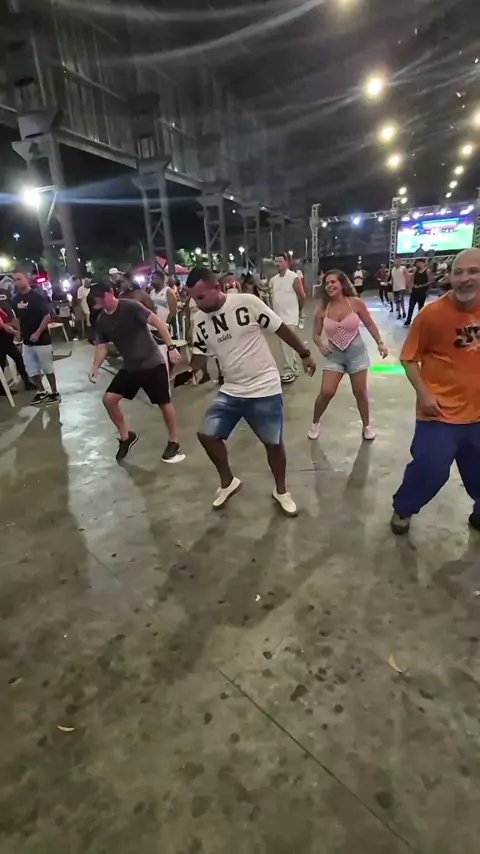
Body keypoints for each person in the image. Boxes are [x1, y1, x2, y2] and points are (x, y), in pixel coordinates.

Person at [187, 266, 316, 515]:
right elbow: (200, 354)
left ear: (217, 287)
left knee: (273, 443)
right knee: (207, 435)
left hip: (264, 385)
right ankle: (228, 482)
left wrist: (305, 354)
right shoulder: (199, 319)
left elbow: (280, 328)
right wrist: (187, 372)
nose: (198, 304)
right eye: (193, 298)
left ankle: (281, 491)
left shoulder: (246, 303)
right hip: (232, 389)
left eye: (201, 297)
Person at [390, 247, 480, 535]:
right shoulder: (432, 315)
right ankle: (404, 508)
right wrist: (425, 393)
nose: (465, 278)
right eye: (458, 272)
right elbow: (408, 358)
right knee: (430, 470)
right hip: (440, 413)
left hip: (478, 415)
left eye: (473, 271)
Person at [89, 283, 184, 463]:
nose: (102, 302)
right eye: (98, 300)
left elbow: (158, 323)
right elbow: (102, 346)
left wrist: (171, 347)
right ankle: (126, 436)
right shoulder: (102, 320)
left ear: (111, 292)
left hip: (152, 363)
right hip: (131, 367)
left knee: (164, 402)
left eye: (103, 297)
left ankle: (174, 441)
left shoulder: (130, 307)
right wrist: (95, 367)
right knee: (109, 399)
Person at [308, 270, 388, 442]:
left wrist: (380, 342)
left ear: (342, 284)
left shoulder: (355, 303)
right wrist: (320, 345)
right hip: (335, 357)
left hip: (356, 355)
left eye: (333, 282)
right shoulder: (322, 310)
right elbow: (315, 334)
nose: (329, 286)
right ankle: (315, 422)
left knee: (360, 391)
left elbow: (369, 324)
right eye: (326, 283)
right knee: (327, 391)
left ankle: (367, 426)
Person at [12, 271, 60, 405]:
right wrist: (19, 334)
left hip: (42, 340)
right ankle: (41, 391)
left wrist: (38, 333)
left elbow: (47, 315)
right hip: (27, 341)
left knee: (47, 367)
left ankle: (54, 392)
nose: (17, 282)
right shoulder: (15, 299)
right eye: (14, 280)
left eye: (19, 279)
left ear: (26, 279)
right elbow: (18, 318)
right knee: (31, 369)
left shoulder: (37, 297)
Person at [270, 253, 306, 384]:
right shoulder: (273, 280)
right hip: (278, 317)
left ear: (287, 262)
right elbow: (272, 297)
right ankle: (294, 368)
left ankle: (289, 371)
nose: (277, 264)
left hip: (290, 316)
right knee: (287, 345)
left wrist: (299, 311)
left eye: (280, 261)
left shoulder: (294, 278)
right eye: (276, 261)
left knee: (286, 344)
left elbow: (302, 296)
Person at [0, 305, 35, 394]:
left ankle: (26, 382)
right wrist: (16, 332)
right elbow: (2, 325)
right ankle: (25, 382)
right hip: (2, 339)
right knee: (12, 360)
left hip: (6, 339)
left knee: (14, 360)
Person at [404, 258, 433, 327]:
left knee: (421, 307)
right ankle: (408, 320)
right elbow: (412, 280)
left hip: (422, 291)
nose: (417, 265)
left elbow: (430, 281)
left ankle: (420, 321)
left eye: (418, 263)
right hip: (414, 291)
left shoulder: (427, 271)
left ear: (422, 263)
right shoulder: (415, 271)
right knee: (411, 306)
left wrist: (423, 286)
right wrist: (410, 288)